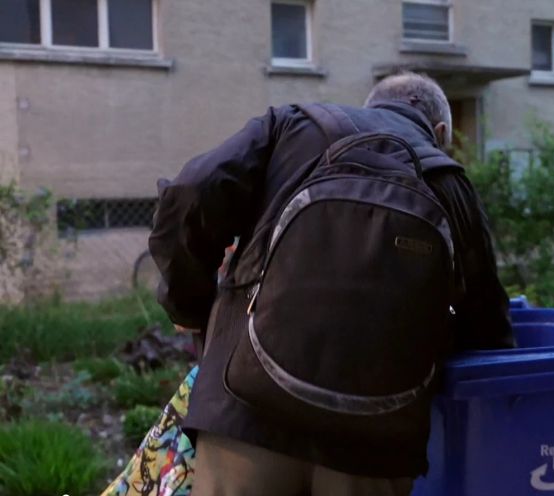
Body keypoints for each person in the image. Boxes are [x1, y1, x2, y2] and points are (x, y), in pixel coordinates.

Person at [148, 72, 513, 496]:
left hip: (246, 416)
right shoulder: (452, 185)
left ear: (368, 105)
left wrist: (190, 307)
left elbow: (189, 193)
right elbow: (487, 326)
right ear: (441, 133)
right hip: (373, 450)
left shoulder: (293, 125)